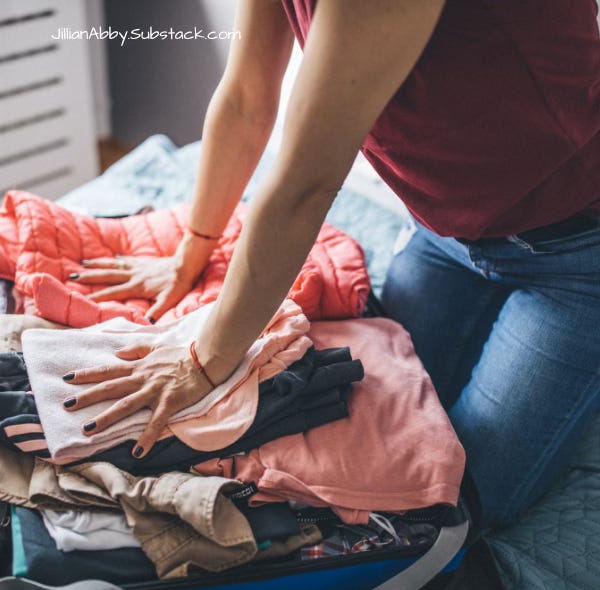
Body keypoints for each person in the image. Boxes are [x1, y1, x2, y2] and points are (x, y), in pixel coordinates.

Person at [62, 0, 600, 530]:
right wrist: (194, 247)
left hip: (576, 250)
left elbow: (304, 186)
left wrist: (202, 364)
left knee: (457, 499)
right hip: (446, 233)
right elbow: (248, 97)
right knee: (362, 417)